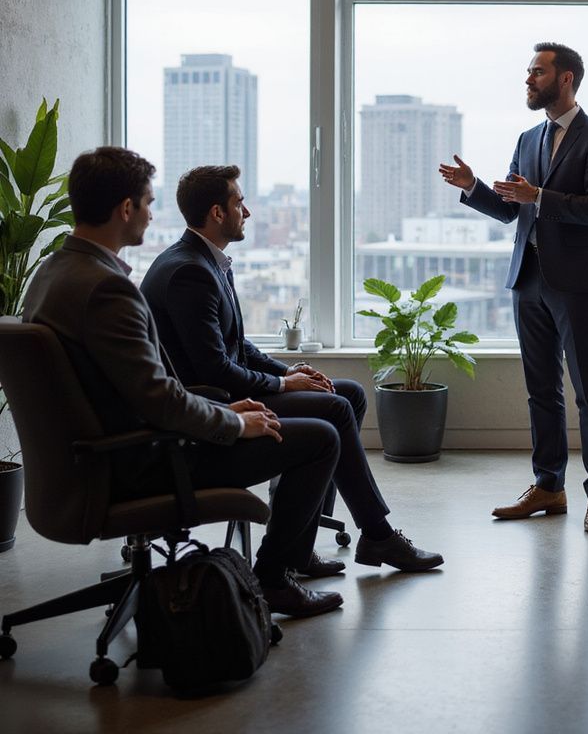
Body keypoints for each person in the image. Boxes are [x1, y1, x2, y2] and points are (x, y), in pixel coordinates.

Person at [22, 147, 342, 619]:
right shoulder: (108, 289)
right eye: (148, 203)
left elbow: (136, 389)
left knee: (311, 420)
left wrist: (228, 409)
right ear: (126, 208)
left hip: (90, 457)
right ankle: (273, 579)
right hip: (148, 458)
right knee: (321, 437)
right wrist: (232, 423)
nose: (153, 216)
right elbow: (159, 400)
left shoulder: (51, 273)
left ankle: (289, 565)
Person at [140, 164, 443, 576]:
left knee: (348, 392)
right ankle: (376, 533)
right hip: (220, 405)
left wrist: (289, 369)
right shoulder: (190, 272)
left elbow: (236, 344)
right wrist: (284, 382)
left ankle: (303, 541)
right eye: (239, 202)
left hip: (226, 389)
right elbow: (216, 370)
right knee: (334, 407)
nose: (246, 212)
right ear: (216, 212)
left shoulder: (203, 261)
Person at [439, 42, 588, 532]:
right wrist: (473, 186)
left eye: (537, 72)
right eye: (528, 72)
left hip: (579, 285)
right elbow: (510, 209)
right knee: (541, 391)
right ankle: (549, 486)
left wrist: (539, 195)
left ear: (565, 79)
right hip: (529, 281)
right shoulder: (527, 139)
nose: (528, 80)